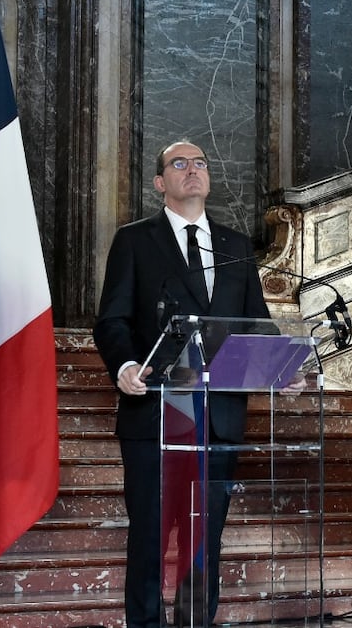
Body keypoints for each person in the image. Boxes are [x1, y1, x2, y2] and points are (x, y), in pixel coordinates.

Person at [94, 140, 272, 628]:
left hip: (218, 418)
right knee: (150, 537)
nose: (192, 171)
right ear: (160, 183)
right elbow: (111, 321)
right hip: (155, 411)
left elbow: (258, 323)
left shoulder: (236, 247)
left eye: (200, 163)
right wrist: (125, 365)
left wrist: (280, 366)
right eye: (179, 164)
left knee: (203, 541)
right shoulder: (134, 240)